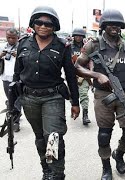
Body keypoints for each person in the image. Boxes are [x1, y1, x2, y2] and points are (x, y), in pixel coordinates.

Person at [75, 9, 125, 180]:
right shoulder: (94, 45)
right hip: (103, 95)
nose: (115, 27)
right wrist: (96, 75)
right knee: (104, 134)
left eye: (118, 24)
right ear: (104, 25)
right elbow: (77, 66)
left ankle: (119, 154)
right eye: (110, 24)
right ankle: (106, 166)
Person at [13, 6, 80, 179]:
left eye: (48, 24)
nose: (43, 26)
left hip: (53, 97)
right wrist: (13, 104)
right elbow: (16, 75)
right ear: (33, 24)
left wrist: (75, 102)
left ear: (54, 26)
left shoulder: (63, 46)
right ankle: (46, 169)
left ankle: (57, 174)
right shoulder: (23, 44)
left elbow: (71, 76)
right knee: (40, 138)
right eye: (39, 22)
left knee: (53, 137)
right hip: (29, 99)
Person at [0, 28, 22, 132]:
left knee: (17, 100)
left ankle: (15, 122)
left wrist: (16, 55)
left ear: (17, 37)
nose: (11, 40)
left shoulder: (21, 46)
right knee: (10, 100)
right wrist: (2, 55)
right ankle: (12, 117)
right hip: (5, 77)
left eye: (13, 38)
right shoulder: (2, 46)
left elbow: (27, 59)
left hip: (17, 77)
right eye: (8, 37)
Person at [71, 28, 93, 125]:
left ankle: (85, 114)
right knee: (72, 94)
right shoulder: (69, 47)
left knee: (84, 94)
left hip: (84, 74)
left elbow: (91, 59)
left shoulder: (86, 47)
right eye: (76, 36)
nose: (78, 37)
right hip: (72, 74)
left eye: (80, 36)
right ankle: (74, 107)